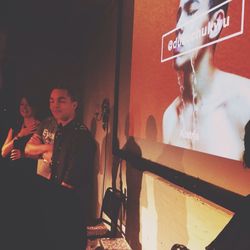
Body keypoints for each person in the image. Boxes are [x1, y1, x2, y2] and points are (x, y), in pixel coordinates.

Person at [162, 0, 250, 160]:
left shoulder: (244, 100)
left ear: (215, 23)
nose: (178, 26)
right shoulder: (170, 117)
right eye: (178, 16)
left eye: (191, 11)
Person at [25, 83, 96, 250]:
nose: (54, 105)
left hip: (70, 211)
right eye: (51, 101)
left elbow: (69, 184)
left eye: (61, 101)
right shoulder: (60, 132)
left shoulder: (81, 136)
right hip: (58, 207)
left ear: (74, 104)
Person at [1, 95, 40, 249]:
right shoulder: (16, 125)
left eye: (28, 104)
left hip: (31, 174)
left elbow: (44, 154)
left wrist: (24, 155)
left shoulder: (40, 125)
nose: (24, 107)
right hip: (13, 175)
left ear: (35, 106)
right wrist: (20, 135)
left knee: (30, 213)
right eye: (22, 104)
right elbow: (3, 152)